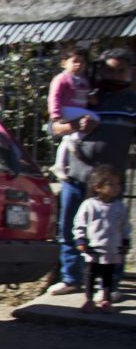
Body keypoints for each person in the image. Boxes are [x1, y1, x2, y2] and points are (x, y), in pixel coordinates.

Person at [48, 48, 136, 298]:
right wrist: (74, 125)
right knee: (70, 228)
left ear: (129, 72)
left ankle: (110, 285)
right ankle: (71, 278)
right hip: (76, 175)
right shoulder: (86, 94)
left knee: (112, 233)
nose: (113, 76)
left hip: (110, 184)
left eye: (120, 71)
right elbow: (53, 128)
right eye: (108, 70)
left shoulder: (132, 102)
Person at [73, 164, 130, 313]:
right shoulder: (89, 205)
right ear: (97, 187)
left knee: (108, 276)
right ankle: (89, 299)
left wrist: (125, 242)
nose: (116, 188)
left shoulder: (120, 207)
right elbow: (80, 224)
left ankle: (106, 300)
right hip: (93, 249)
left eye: (118, 184)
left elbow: (125, 226)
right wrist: (80, 240)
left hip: (112, 249)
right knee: (90, 275)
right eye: (111, 184)